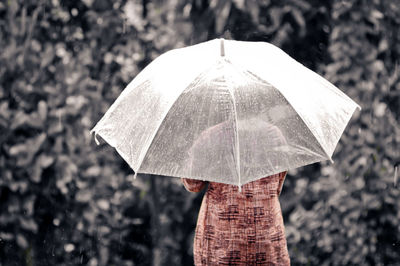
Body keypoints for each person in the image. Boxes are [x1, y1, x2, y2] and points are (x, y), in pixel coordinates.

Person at [181, 119, 291, 265]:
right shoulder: (274, 135)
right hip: (266, 235)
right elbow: (277, 185)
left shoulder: (211, 137)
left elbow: (192, 184)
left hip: (220, 239)